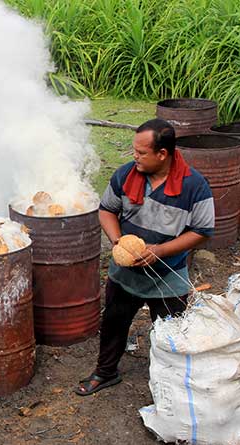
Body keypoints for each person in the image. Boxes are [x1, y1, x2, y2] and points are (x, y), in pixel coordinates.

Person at [74, 118, 214, 396]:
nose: (134, 157)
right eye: (134, 151)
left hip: (167, 275)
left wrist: (160, 251)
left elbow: (202, 231)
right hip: (125, 274)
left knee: (172, 334)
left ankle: (174, 385)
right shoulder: (126, 175)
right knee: (113, 324)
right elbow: (106, 210)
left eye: (141, 153)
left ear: (163, 154)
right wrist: (118, 240)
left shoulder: (194, 186)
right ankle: (105, 372)